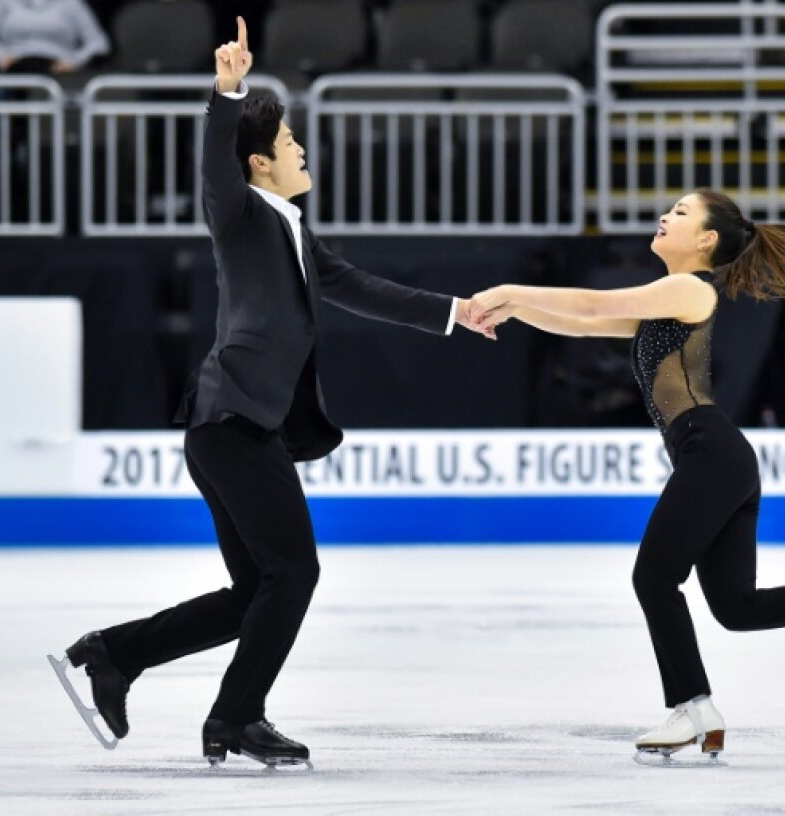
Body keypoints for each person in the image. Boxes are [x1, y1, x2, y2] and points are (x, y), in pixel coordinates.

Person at [48, 17, 491, 769]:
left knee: (258, 586)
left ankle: (114, 654)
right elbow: (217, 177)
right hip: (230, 420)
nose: (302, 153)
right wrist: (229, 93)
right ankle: (236, 717)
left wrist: (454, 312)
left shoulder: (290, 227)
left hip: (242, 427)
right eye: (290, 147)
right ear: (259, 164)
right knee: (294, 573)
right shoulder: (242, 215)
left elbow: (355, 285)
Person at [467, 190, 785, 765]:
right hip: (718, 456)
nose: (666, 216)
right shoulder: (666, 300)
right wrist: (515, 311)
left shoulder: (688, 288)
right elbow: (586, 324)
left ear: (706, 241)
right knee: (736, 607)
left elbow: (593, 306)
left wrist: (508, 292)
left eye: (681, 213)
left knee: (653, 578)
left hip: (710, 453)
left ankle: (691, 710)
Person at [0, 0, 109, 75]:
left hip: (58, 71)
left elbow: (98, 43)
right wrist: (0, 55)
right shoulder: (5, 2)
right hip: (13, 68)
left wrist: (75, 61)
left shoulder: (72, 3)